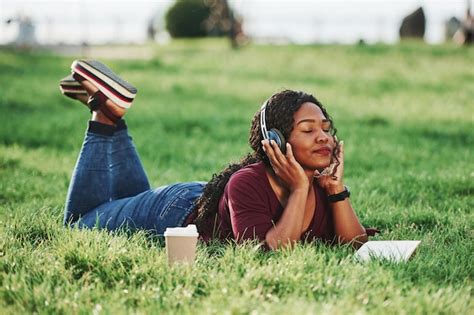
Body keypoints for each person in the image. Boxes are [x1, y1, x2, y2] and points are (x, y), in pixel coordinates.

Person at [61, 60, 376, 250]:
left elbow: (354, 244)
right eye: (308, 130)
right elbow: (269, 253)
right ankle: (103, 116)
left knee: (126, 200)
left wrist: (336, 190)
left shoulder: (321, 187)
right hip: (173, 213)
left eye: (325, 127)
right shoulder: (248, 183)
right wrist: (299, 190)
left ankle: (107, 106)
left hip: (202, 201)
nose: (323, 136)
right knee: (78, 223)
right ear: (277, 141)